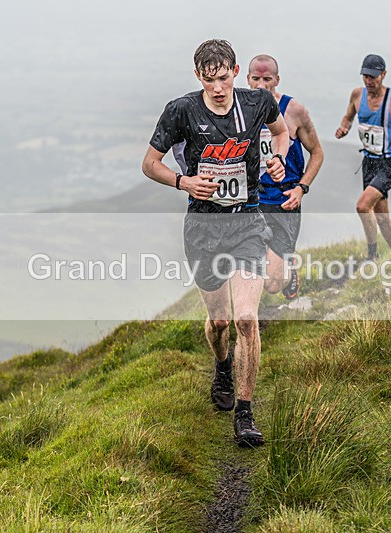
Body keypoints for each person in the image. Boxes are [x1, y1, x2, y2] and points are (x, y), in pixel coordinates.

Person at [142, 39, 289, 447]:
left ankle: (245, 413)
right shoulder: (181, 110)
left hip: (247, 224)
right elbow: (149, 163)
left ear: (235, 71)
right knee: (221, 321)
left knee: (246, 318)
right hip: (203, 227)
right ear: (198, 77)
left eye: (224, 78)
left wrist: (279, 156)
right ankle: (222, 365)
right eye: (210, 81)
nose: (218, 88)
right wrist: (182, 181)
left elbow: (281, 132)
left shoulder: (258, 102)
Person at [247, 54, 324, 300]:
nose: (261, 85)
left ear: (277, 79)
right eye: (256, 78)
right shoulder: (238, 111)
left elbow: (317, 153)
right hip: (252, 201)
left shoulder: (294, 110)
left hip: (284, 201)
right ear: (247, 79)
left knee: (273, 285)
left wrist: (302, 188)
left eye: (267, 79)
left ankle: (288, 270)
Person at [335, 54, 391, 261]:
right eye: (365, 76)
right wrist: (343, 128)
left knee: (362, 206)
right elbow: (348, 116)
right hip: (369, 161)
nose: (369, 81)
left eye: (373, 77)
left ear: (383, 75)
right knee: (382, 217)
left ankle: (372, 256)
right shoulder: (357, 95)